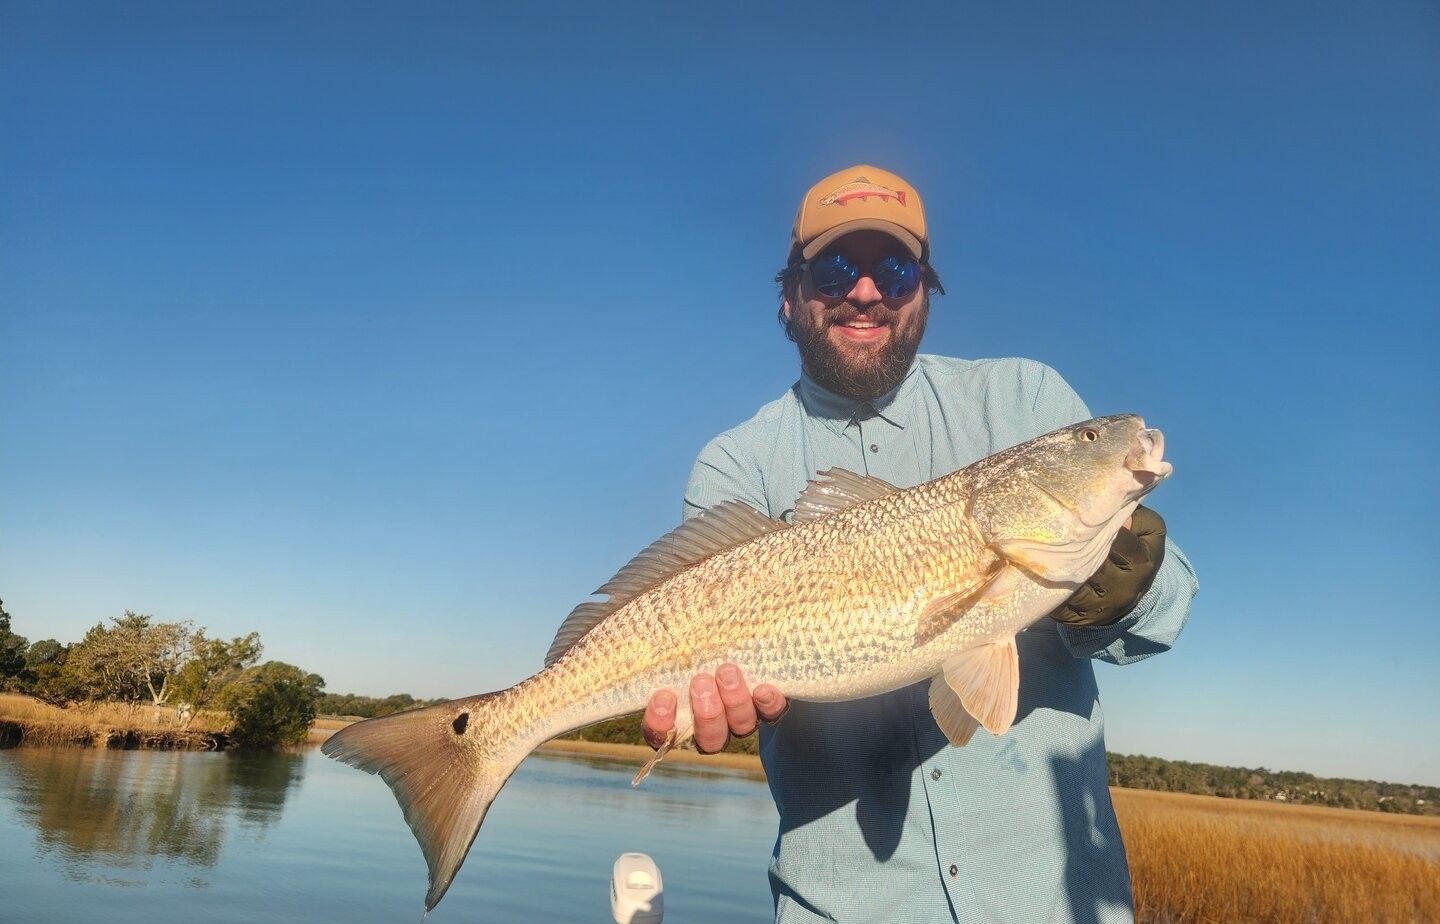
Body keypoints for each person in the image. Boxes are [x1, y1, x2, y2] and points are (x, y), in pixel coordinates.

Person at [641, 165, 1198, 923]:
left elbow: (1170, 609)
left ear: (924, 289)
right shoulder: (734, 466)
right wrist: (703, 705)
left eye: (894, 269)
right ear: (790, 293)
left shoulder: (1024, 400)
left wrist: (1131, 588)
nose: (865, 292)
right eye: (835, 268)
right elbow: (694, 662)